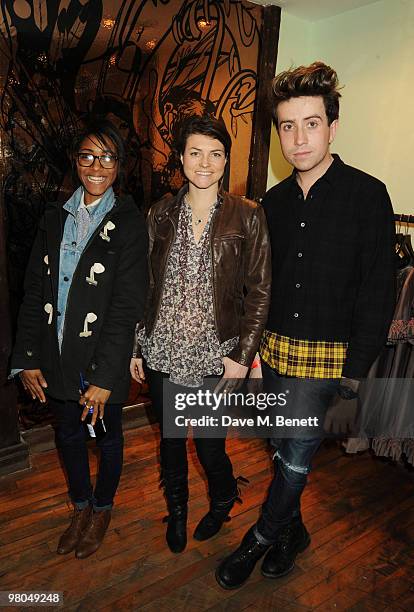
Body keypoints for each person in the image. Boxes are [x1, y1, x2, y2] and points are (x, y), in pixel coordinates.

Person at [216, 61, 396, 589]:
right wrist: (250, 357)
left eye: (310, 123)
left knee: (295, 458)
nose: (298, 137)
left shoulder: (368, 195)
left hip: (328, 362)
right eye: (288, 126)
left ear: (332, 127)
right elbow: (258, 291)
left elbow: (377, 292)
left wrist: (356, 374)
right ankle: (293, 534)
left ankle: (258, 540)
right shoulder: (269, 204)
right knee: (278, 448)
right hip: (272, 355)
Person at [130, 114, 271, 553]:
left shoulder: (247, 215)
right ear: (181, 158)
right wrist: (138, 343)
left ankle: (225, 496)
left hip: (216, 354)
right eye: (195, 153)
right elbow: (145, 285)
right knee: (171, 442)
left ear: (226, 160)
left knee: (210, 446)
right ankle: (176, 510)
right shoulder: (159, 213)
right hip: (163, 349)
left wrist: (243, 355)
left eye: (215, 154)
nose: (204, 163)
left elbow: (260, 292)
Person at [11, 120, 148, 558]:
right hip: (55, 357)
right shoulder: (54, 217)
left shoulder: (128, 222)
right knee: (68, 436)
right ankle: (81, 505)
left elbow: (128, 305)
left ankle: (102, 509)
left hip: (98, 364)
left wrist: (107, 376)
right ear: (76, 161)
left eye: (107, 157)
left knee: (107, 438)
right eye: (87, 156)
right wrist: (27, 357)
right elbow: (34, 291)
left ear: (118, 166)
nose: (96, 166)